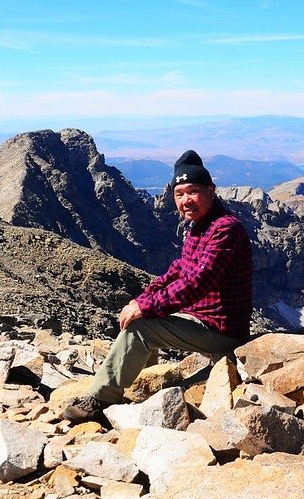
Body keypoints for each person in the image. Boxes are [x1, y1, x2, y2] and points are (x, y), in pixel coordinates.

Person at [63, 149, 253, 423]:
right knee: (145, 314)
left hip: (222, 332)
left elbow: (196, 283)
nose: (186, 200)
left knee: (141, 327)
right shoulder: (200, 225)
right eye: (179, 194)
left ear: (211, 190)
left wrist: (144, 308)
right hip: (204, 321)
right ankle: (141, 386)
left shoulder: (225, 229)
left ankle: (100, 399)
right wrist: (142, 299)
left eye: (193, 191)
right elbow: (179, 270)